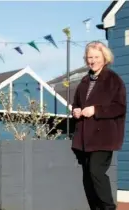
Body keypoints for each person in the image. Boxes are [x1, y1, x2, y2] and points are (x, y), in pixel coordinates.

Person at [72, 41, 126, 210]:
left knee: (96, 173)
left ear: (105, 58)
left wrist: (96, 110)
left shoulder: (113, 80)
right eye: (90, 57)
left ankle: (108, 208)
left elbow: (120, 107)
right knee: (87, 178)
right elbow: (76, 104)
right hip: (84, 139)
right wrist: (75, 111)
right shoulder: (84, 81)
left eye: (96, 57)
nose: (93, 61)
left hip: (103, 137)